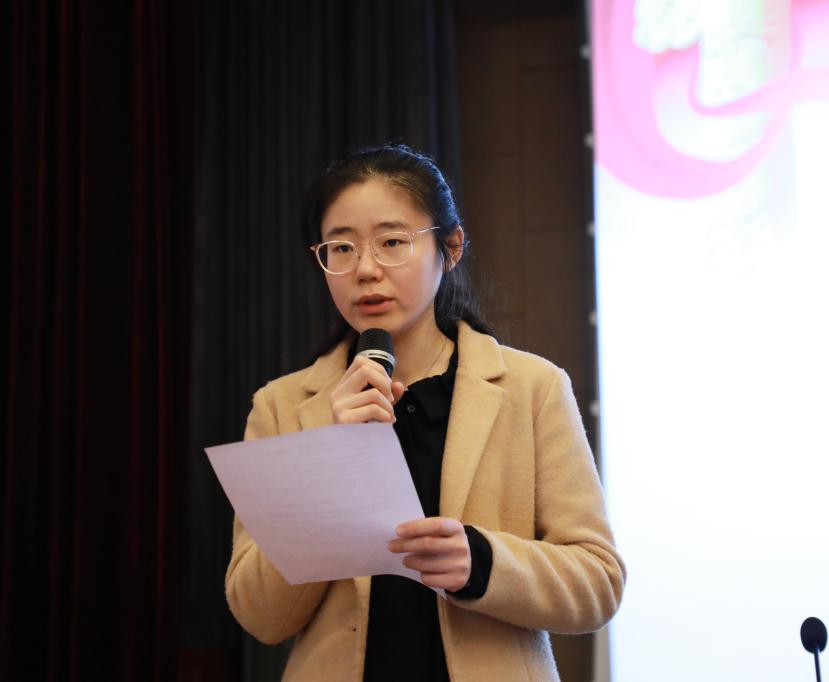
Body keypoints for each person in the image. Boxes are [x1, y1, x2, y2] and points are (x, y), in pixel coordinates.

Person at [225, 143, 625, 681]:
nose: (366, 269)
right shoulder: (282, 407)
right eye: (341, 248)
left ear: (450, 247)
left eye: (392, 242)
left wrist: (481, 562)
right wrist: (329, 459)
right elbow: (260, 615)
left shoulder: (533, 388)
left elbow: (598, 583)